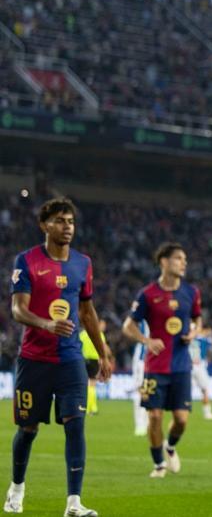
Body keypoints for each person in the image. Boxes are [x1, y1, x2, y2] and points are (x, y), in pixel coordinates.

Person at [5, 197, 112, 517]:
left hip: (70, 359)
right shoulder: (26, 260)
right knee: (28, 430)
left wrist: (103, 352)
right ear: (44, 225)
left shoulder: (83, 263)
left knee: (75, 425)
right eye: (60, 221)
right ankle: (16, 488)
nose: (67, 227)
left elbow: (87, 311)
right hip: (34, 360)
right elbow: (17, 309)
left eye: (71, 222)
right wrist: (46, 324)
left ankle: (74, 503)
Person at [122, 242, 203, 479]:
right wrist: (146, 340)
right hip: (155, 366)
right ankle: (159, 464)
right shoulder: (147, 294)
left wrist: (194, 333)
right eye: (179, 258)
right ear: (164, 262)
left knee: (181, 420)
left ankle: (170, 447)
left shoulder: (191, 292)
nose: (184, 263)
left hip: (181, 365)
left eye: (184, 259)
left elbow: (198, 319)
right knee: (155, 416)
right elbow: (128, 325)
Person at [188, 324, 212, 420]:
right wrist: (211, 335)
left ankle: (182, 413)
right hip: (199, 366)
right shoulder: (204, 339)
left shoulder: (187, 338)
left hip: (188, 366)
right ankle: (207, 413)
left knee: (186, 391)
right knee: (205, 390)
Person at [129, 317, 150, 436]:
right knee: (141, 391)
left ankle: (147, 423)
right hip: (142, 359)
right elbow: (127, 327)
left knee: (149, 392)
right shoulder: (142, 314)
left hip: (154, 359)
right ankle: (140, 424)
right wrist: (143, 339)